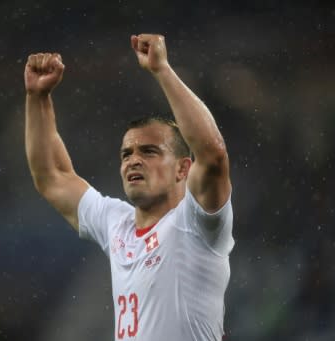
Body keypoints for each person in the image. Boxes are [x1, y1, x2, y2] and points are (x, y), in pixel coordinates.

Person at [24, 34, 234, 341]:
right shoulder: (116, 223)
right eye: (127, 154)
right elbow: (52, 176)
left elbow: (213, 154)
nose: (133, 161)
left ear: (182, 168)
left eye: (149, 151)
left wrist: (162, 70)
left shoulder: (197, 223)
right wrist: (37, 98)